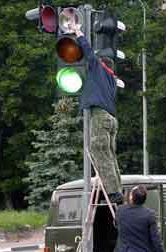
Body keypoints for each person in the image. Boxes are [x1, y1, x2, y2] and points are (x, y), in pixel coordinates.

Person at [70, 23, 122, 204]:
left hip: (100, 116)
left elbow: (88, 51)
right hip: (112, 119)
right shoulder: (112, 80)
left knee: (97, 150)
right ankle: (118, 188)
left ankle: (113, 192)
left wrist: (78, 32)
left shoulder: (98, 67)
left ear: (101, 62)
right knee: (109, 154)